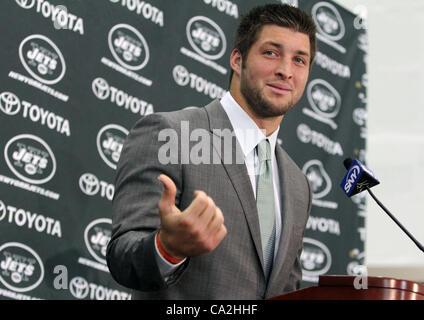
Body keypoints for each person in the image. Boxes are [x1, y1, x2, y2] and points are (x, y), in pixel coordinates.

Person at [106, 3, 316, 299]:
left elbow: (287, 288)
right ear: (237, 59)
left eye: (300, 60)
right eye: (271, 53)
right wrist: (167, 247)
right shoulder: (171, 133)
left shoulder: (298, 184)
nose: (285, 71)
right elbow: (122, 257)